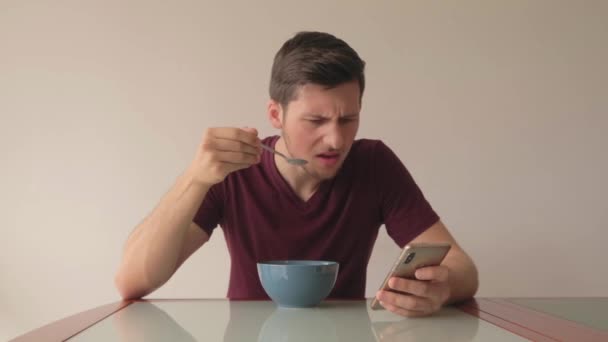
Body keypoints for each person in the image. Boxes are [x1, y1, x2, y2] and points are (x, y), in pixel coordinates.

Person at [114, 31, 478, 317]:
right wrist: (194, 178)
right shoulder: (235, 171)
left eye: (348, 119)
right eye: (316, 121)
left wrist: (442, 290)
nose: (336, 139)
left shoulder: (374, 164)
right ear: (276, 114)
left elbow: (463, 269)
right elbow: (131, 282)